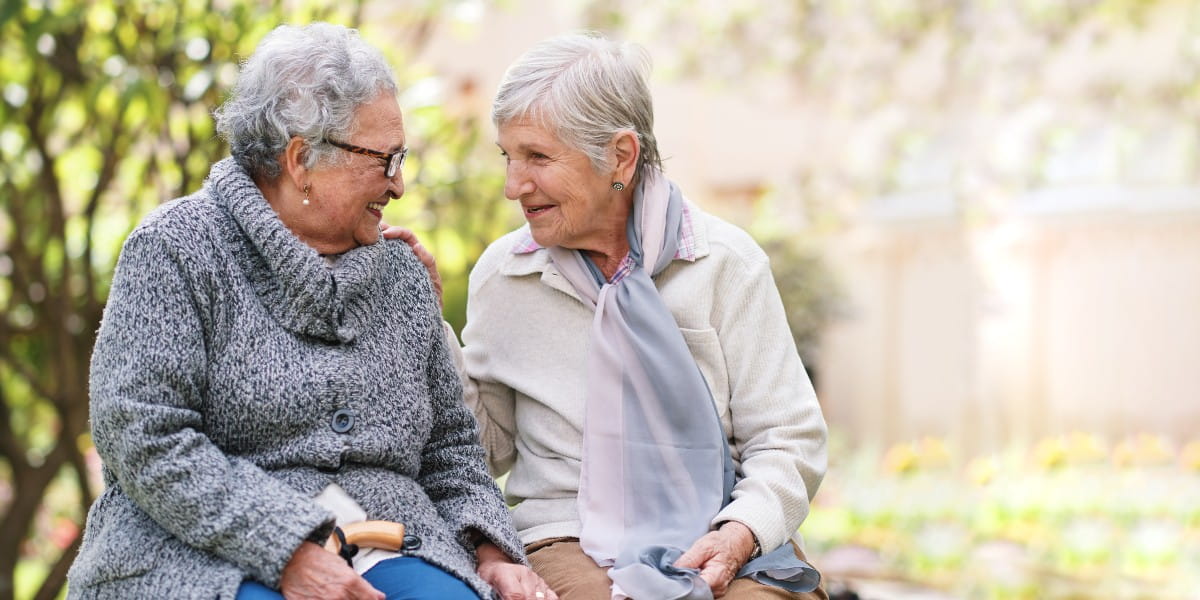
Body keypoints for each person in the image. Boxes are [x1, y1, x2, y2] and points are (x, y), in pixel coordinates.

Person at [66, 23, 554, 600]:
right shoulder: (174, 250)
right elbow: (145, 438)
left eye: (403, 158)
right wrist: (286, 548)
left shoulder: (399, 273)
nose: (398, 184)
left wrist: (493, 553)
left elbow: (450, 447)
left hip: (395, 539)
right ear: (301, 160)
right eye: (385, 160)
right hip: (207, 548)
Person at [393, 32, 829, 600]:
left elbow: (786, 438)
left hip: (722, 528)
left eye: (538, 157)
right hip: (564, 535)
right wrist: (429, 327)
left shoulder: (725, 264)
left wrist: (739, 534)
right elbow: (485, 448)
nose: (512, 186)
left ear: (620, 156)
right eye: (508, 156)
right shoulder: (504, 275)